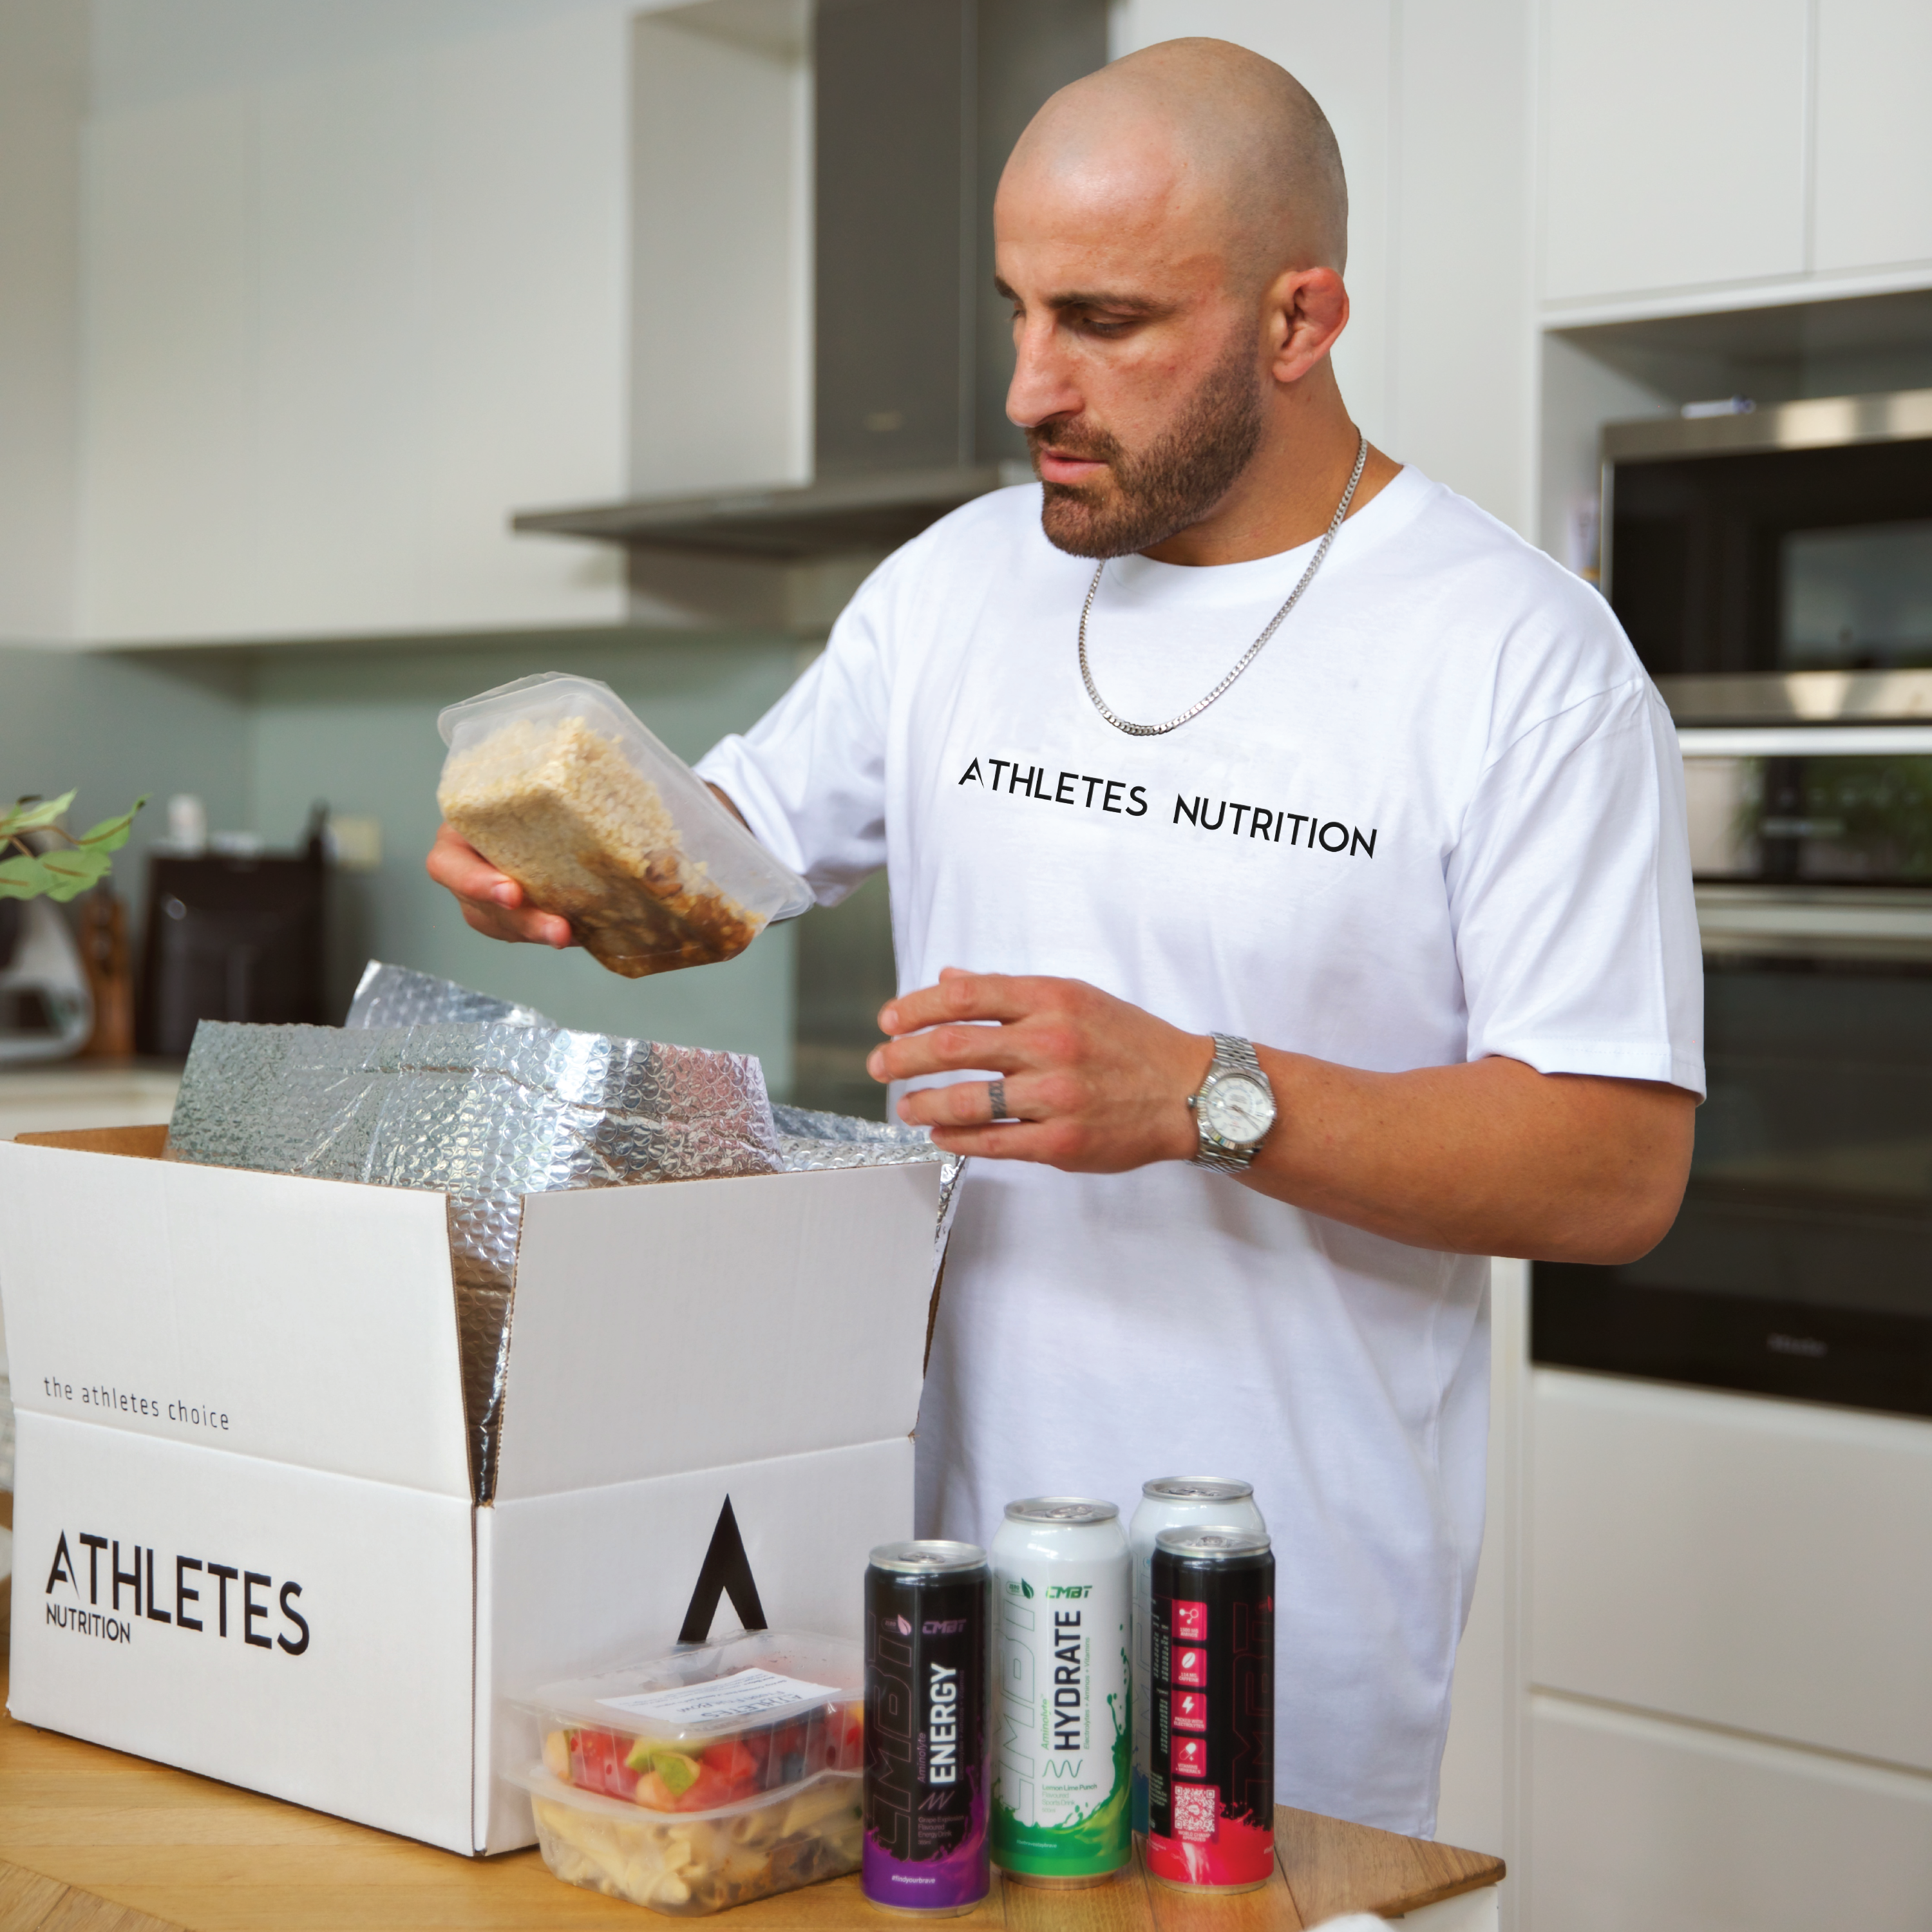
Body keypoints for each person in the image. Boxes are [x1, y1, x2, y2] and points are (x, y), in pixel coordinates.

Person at [428, 37, 1701, 1835]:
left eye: (1104, 319)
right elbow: (723, 871)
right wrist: (570, 875)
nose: (1033, 383)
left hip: (1261, 1617)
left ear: (1299, 317)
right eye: (1018, 308)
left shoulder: (1520, 660)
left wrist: (1202, 1095)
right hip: (909, 1575)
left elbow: (1615, 1169)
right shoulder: (954, 583)